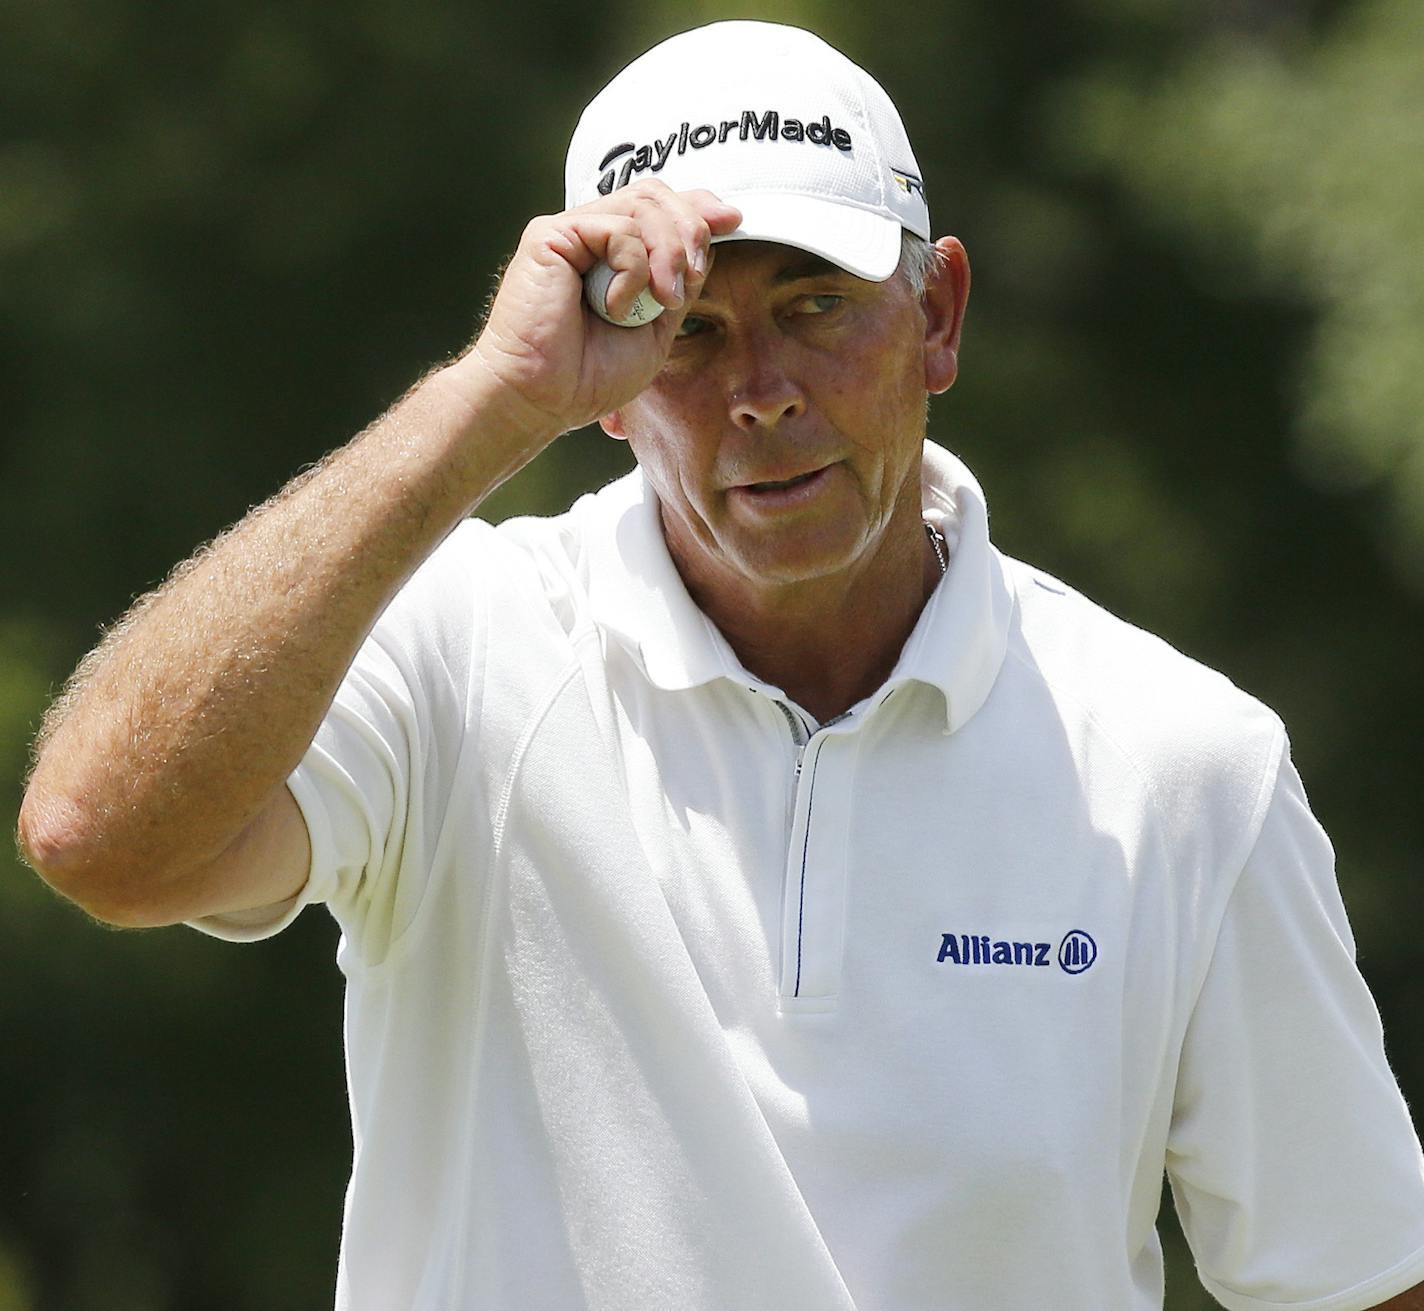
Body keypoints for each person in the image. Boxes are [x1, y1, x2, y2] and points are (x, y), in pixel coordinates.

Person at [16, 19, 1424, 1311]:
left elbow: (1358, 1281)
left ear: (937, 315)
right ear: (610, 393)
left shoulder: (1186, 764)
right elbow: (103, 839)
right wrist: (488, 402)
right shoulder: (460, 651)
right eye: (685, 332)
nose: (760, 389)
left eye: (813, 303)